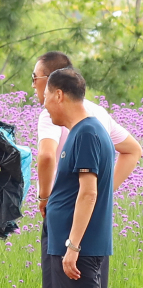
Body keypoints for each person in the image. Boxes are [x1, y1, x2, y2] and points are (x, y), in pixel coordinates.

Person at [39, 66, 116, 288]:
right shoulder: (80, 132)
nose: (45, 106)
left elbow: (88, 193)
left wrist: (73, 245)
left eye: (45, 98)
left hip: (80, 248)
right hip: (70, 245)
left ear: (58, 94)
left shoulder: (86, 133)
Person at [32, 51, 142, 205]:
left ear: (52, 81)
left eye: (35, 77)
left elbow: (47, 156)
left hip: (64, 204)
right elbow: (133, 150)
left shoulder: (52, 114)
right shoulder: (98, 112)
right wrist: (104, 193)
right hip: (90, 206)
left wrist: (44, 198)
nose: (33, 84)